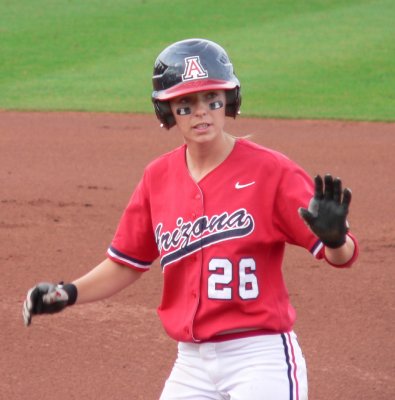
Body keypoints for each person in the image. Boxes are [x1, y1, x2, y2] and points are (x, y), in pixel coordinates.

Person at [22, 38, 359, 400]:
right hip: (191, 365)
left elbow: (343, 256)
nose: (201, 113)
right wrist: (68, 292)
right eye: (185, 104)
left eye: (211, 100)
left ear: (229, 101)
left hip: (259, 357)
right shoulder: (158, 177)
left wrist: (336, 240)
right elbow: (126, 262)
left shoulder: (271, 171)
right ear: (166, 113)